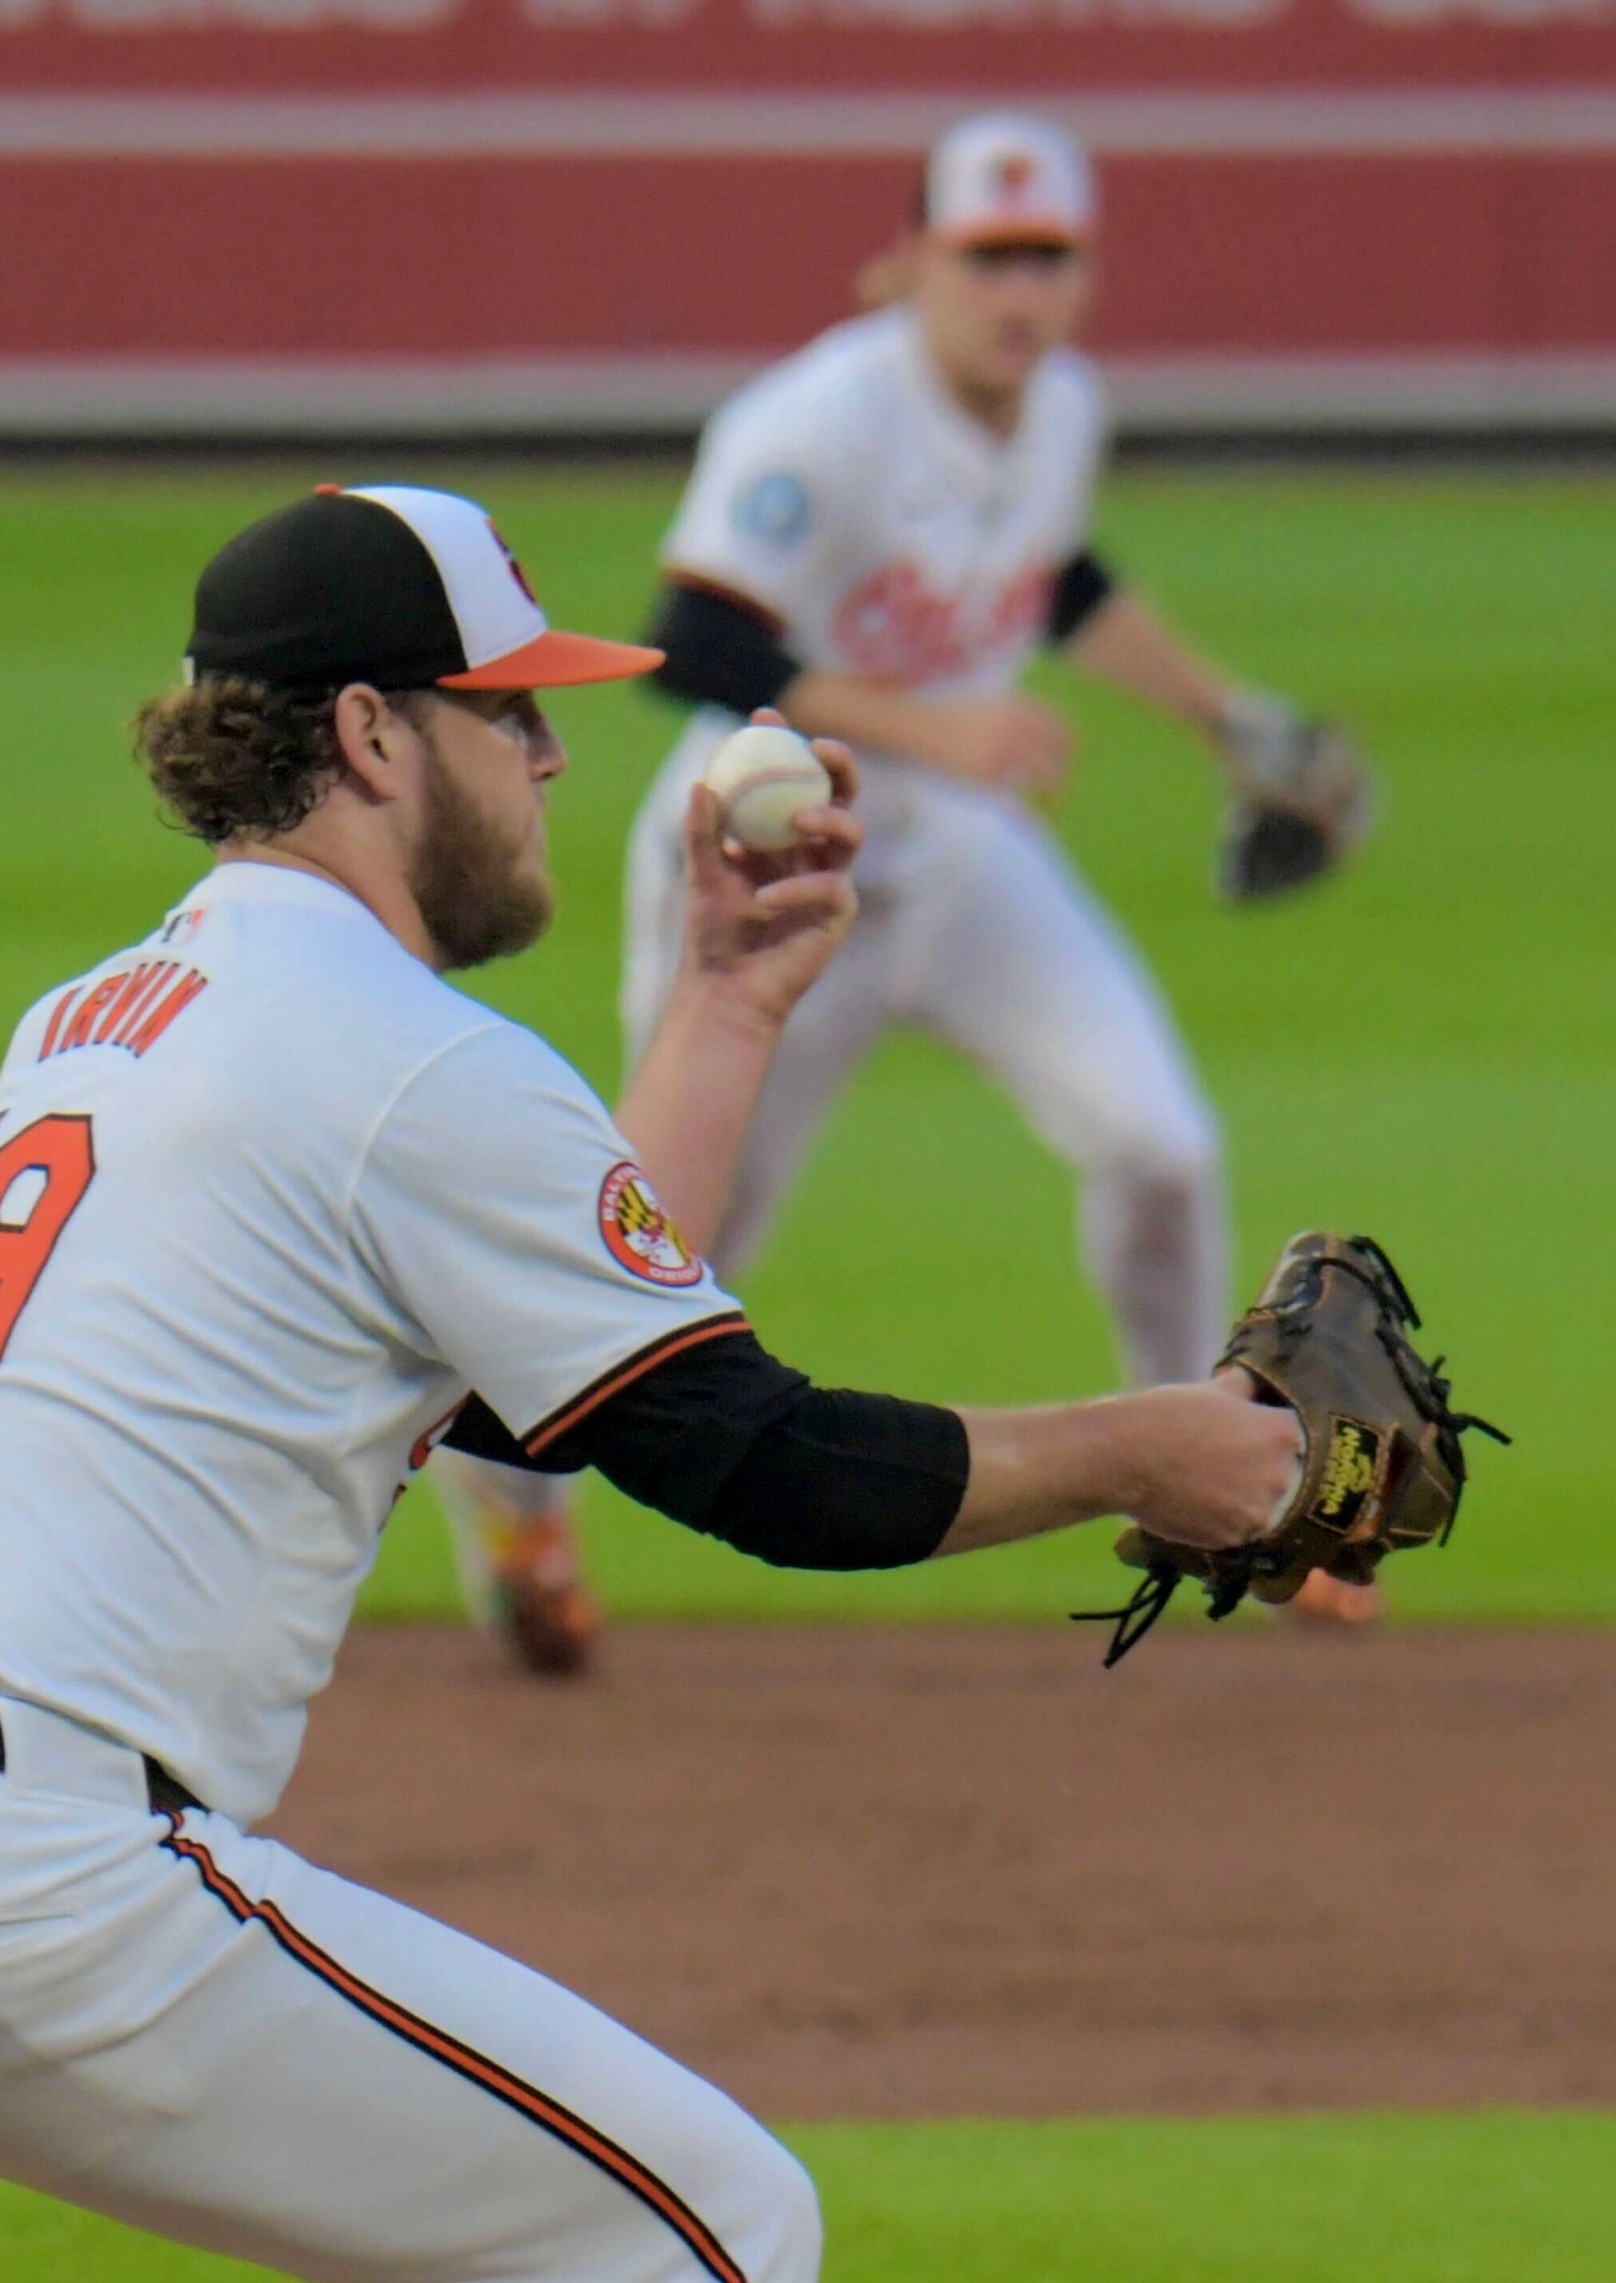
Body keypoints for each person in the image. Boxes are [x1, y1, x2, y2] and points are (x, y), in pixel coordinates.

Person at [0, 484, 1301, 2283]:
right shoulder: (407, 1057)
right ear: (370, 734)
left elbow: (533, 1391)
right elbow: (774, 1470)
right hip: (1, 1890)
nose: (557, 756)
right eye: (510, 709)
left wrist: (725, 1007)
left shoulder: (97, 1016)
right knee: (719, 2229)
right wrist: (1154, 1448)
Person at [436, 110, 1376, 1652]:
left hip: (967, 856)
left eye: (1048, 258)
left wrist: (1228, 716)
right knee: (669, 1247)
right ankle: (519, 1519)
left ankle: (1217, 1474)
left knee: (1159, 1145)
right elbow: (706, 633)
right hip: (774, 853)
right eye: (989, 256)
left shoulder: (1063, 408)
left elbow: (1053, 577)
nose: (1020, 290)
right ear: (912, 265)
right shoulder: (816, 422)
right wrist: (945, 725)